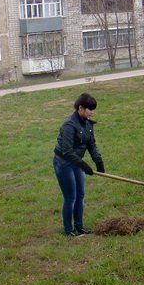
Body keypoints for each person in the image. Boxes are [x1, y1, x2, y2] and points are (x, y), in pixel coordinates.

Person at [53, 93, 104, 237]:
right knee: (71, 197)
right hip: (63, 163)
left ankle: (79, 226)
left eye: (93, 109)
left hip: (76, 162)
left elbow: (91, 144)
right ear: (80, 108)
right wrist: (84, 165)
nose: (92, 112)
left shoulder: (87, 123)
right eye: (90, 109)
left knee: (80, 195)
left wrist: (98, 161)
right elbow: (67, 151)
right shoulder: (69, 125)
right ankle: (69, 230)